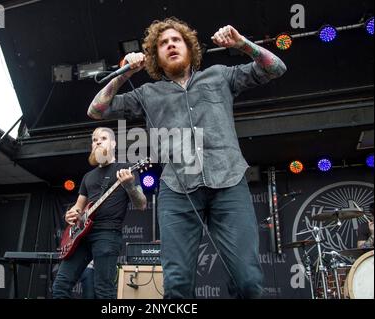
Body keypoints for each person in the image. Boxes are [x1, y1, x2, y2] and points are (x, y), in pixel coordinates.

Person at [87, 17, 287, 299]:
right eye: (162, 44)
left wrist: (241, 43)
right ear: (155, 57)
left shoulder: (220, 76)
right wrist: (125, 73)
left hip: (228, 181)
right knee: (177, 284)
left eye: (176, 40)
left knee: (248, 281)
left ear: (190, 48)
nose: (170, 45)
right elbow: (97, 111)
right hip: (177, 189)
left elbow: (276, 68)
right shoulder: (149, 93)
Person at [52, 127, 147, 299]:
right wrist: (71, 213)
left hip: (107, 234)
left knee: (104, 290)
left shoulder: (126, 169)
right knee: (60, 286)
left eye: (103, 138)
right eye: (95, 139)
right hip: (81, 237)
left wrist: (130, 186)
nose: (97, 142)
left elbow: (141, 204)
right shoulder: (88, 176)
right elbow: (78, 207)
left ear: (113, 143)